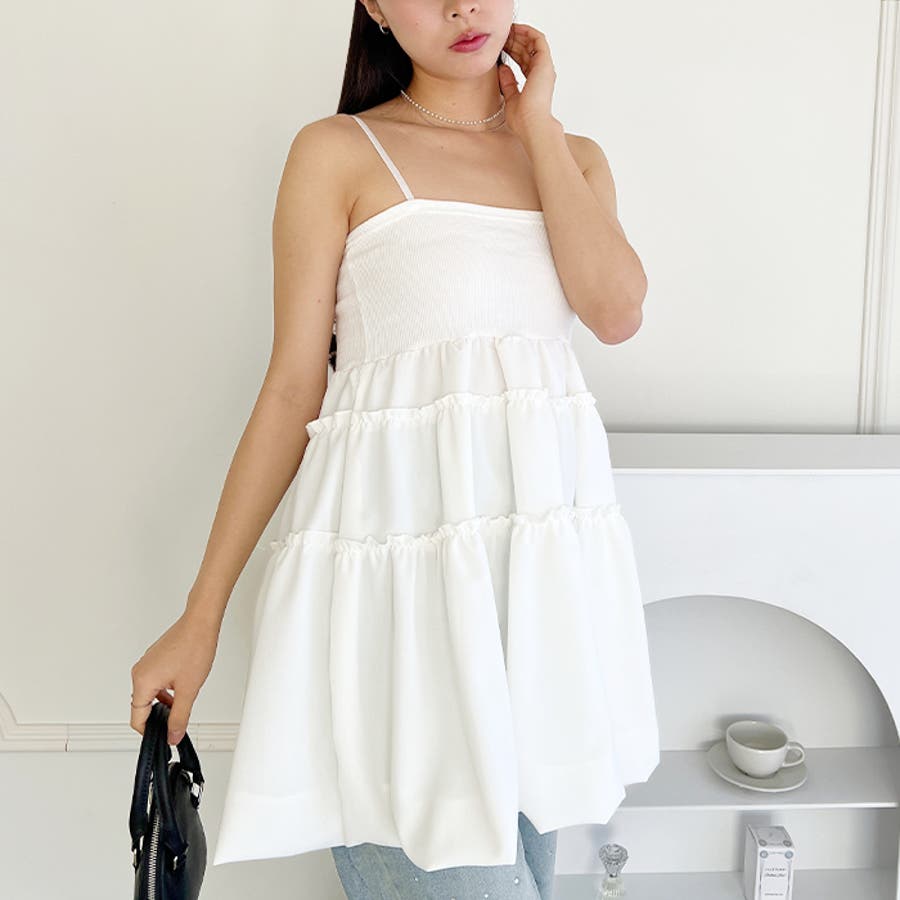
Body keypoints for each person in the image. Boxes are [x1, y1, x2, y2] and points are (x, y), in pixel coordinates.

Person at [130, 1, 661, 897]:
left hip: (532, 614)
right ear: (374, 6)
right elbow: (293, 390)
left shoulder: (573, 160)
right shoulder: (338, 153)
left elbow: (616, 311)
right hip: (400, 613)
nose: (460, 6)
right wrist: (201, 616)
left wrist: (535, 122)